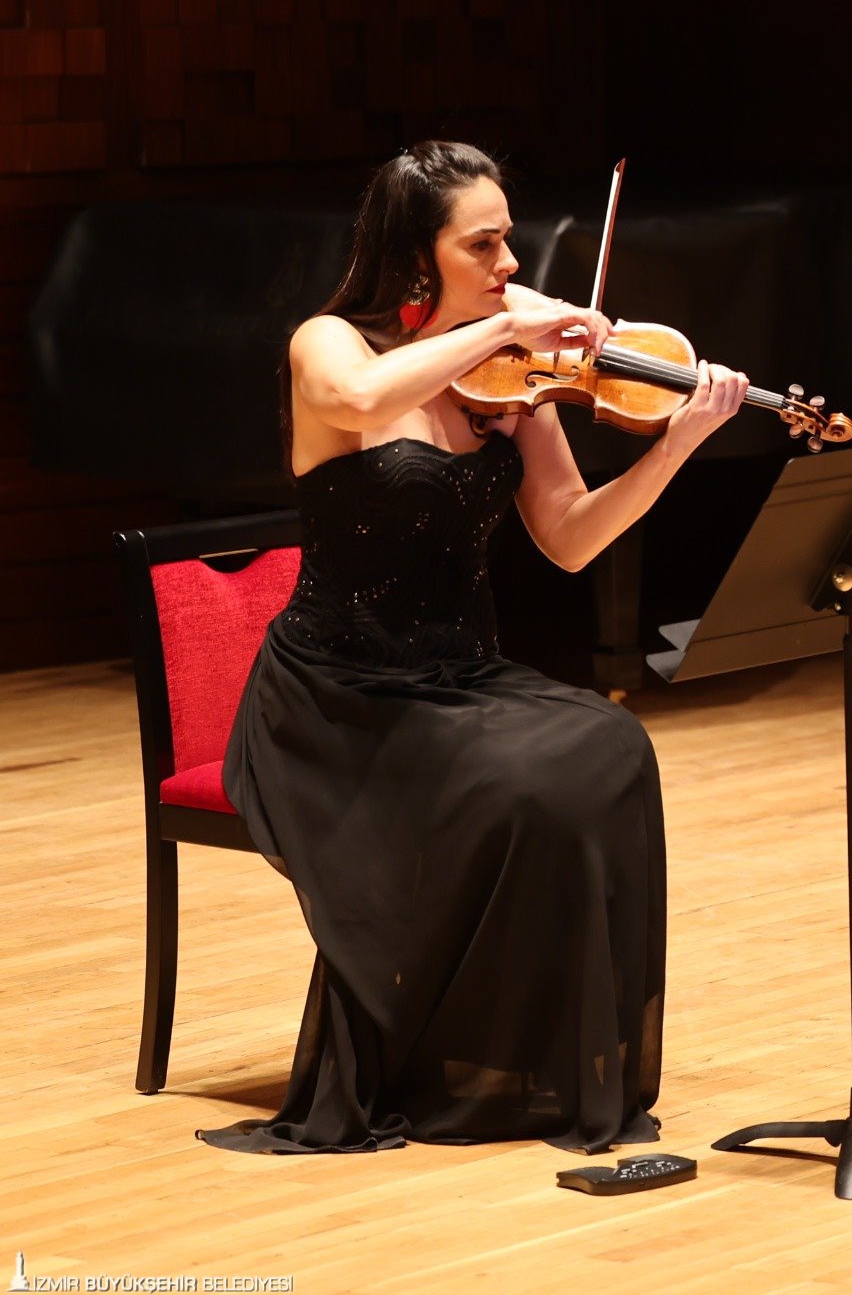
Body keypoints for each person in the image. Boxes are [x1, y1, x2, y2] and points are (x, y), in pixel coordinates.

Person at [202, 141, 746, 1155]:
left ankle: (527, 1053)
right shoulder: (332, 346)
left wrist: (674, 448)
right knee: (524, 784)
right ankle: (436, 1046)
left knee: (609, 748)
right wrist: (501, 323)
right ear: (420, 254)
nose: (510, 262)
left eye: (509, 240)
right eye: (483, 244)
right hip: (338, 693)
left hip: (460, 676)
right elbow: (363, 403)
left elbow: (570, 536)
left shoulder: (511, 384)